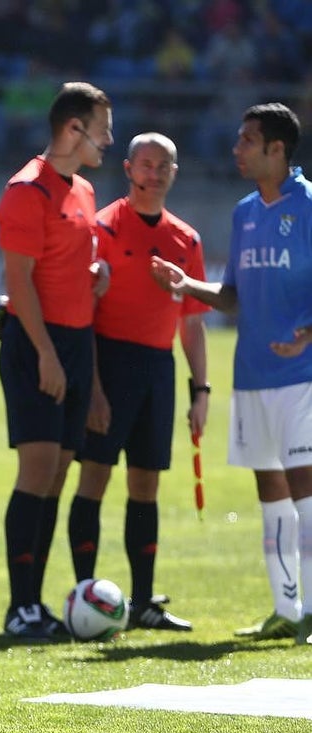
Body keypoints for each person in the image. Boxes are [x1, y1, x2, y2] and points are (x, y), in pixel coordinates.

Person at [151, 102, 312, 644]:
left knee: (306, 489)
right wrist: (186, 284)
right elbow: (235, 296)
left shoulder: (309, 206)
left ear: (276, 149)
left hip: (302, 375)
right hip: (252, 375)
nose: (237, 149)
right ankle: (287, 609)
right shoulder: (245, 213)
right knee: (270, 492)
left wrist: (306, 335)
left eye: (247, 140)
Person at [67, 132, 208, 632]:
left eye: (163, 165)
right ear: (128, 169)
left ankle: (144, 601)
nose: (155, 172)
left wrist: (201, 391)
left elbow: (192, 323)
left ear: (175, 172)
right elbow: (86, 314)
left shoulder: (187, 239)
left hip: (157, 370)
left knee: (146, 484)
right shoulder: (103, 226)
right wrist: (94, 387)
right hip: (109, 363)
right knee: (95, 477)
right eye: (146, 164)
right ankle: (86, 594)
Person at [0, 81, 112, 642]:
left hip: (75, 344)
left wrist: (96, 276)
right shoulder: (26, 190)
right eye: (102, 129)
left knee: (57, 475)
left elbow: (68, 269)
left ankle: (36, 604)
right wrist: (46, 355)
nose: (108, 140)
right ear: (74, 129)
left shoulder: (84, 190)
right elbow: (19, 284)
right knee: (38, 470)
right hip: (34, 344)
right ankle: (20, 608)